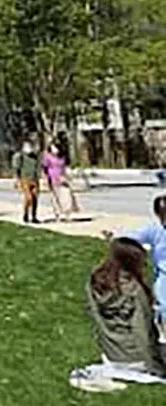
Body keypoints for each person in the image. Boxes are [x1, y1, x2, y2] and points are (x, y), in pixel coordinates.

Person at [74, 236, 166, 387]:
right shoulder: (134, 290)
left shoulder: (95, 282)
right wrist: (156, 368)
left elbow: (94, 315)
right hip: (137, 359)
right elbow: (142, 333)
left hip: (111, 355)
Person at [123, 195, 166, 329]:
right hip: (164, 274)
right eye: (162, 216)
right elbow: (132, 237)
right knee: (163, 304)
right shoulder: (155, 229)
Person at [42, 141, 81, 221]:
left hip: (63, 178)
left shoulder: (62, 157)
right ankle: (58, 214)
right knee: (55, 197)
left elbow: (66, 166)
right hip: (52, 178)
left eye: (55, 148)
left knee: (67, 196)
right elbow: (44, 168)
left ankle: (67, 213)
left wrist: (69, 175)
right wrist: (45, 178)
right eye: (52, 148)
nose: (54, 150)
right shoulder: (48, 157)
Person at [12, 140, 40, 224]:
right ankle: (25, 214)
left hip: (34, 179)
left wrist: (39, 177)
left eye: (31, 146)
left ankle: (34, 216)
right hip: (25, 179)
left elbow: (38, 168)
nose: (29, 148)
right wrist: (16, 179)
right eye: (27, 147)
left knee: (35, 198)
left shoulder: (34, 156)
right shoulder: (20, 156)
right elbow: (16, 168)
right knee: (29, 198)